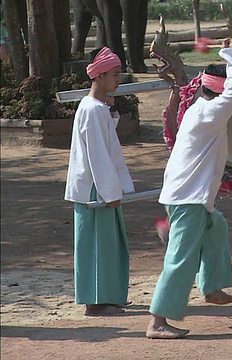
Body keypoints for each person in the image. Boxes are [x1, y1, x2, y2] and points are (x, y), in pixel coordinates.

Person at [146, 39, 232, 339]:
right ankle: (157, 322)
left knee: (216, 227)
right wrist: (230, 54)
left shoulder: (199, 108)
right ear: (218, 91)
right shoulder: (210, 113)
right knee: (180, 257)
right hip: (187, 198)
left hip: (190, 195)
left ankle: (212, 287)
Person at [64, 46, 135, 316]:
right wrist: (108, 191)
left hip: (102, 185)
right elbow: (97, 155)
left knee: (109, 244)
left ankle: (109, 295)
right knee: (96, 245)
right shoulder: (92, 109)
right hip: (94, 187)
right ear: (99, 76)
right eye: (114, 74)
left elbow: (105, 141)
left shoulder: (97, 107)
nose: (118, 79)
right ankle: (95, 302)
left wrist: (111, 110)